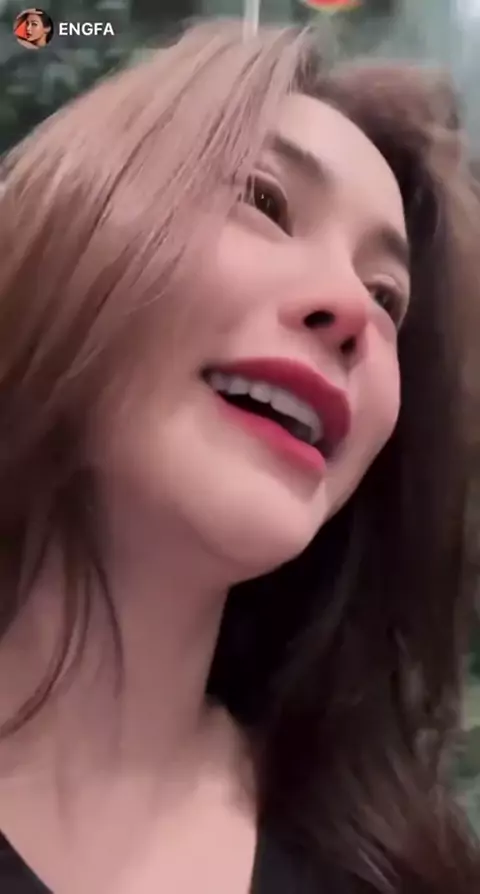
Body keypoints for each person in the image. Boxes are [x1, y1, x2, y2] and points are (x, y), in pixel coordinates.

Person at [0, 18, 478, 894]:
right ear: (68, 228)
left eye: (387, 296)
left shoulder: (396, 871)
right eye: (264, 201)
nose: (354, 311)